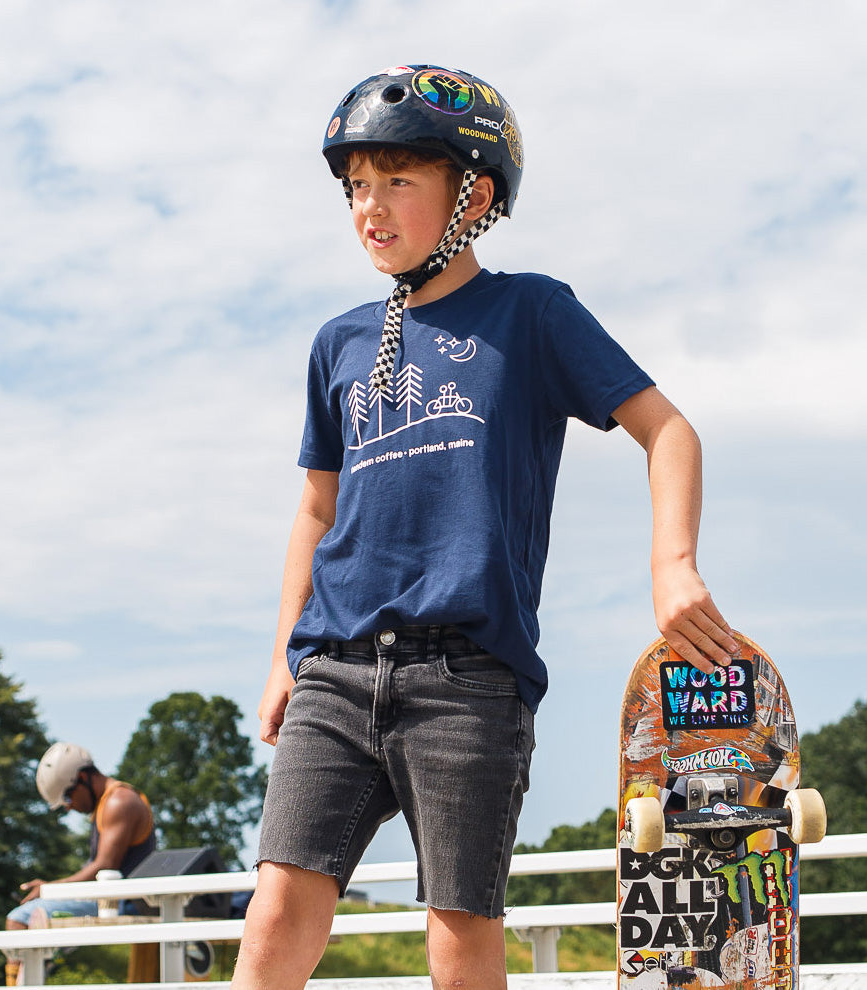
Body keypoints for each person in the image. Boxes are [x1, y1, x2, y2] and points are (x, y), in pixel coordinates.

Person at [231, 65, 739, 990]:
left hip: (468, 676)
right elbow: (316, 507)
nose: (368, 208)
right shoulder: (337, 344)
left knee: (459, 930)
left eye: (397, 181)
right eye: (356, 189)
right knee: (276, 910)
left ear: (475, 191)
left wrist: (673, 565)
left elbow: (669, 430)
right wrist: (281, 661)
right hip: (335, 669)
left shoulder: (532, 312)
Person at [6, 741, 155, 931]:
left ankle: (29, 961)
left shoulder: (118, 801)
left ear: (82, 777)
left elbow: (104, 866)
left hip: (123, 901)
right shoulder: (106, 803)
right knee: (32, 919)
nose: (68, 807)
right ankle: (45, 962)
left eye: (67, 797)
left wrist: (50, 889)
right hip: (111, 898)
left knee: (21, 919)